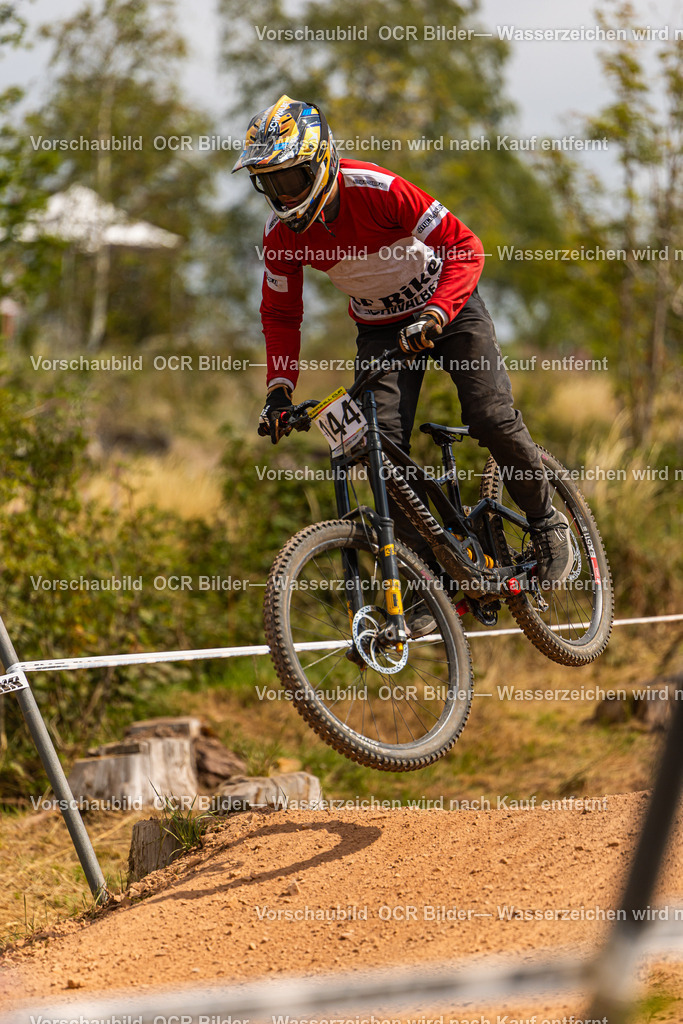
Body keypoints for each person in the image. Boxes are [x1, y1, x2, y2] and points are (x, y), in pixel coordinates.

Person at [232, 94, 572, 594]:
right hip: (380, 329)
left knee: (490, 415)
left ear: (321, 161)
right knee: (378, 449)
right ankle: (429, 576)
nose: (282, 195)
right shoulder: (281, 235)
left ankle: (546, 521)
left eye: (289, 179)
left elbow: (465, 245)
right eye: (269, 183)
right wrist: (279, 391)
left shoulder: (378, 188)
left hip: (448, 306)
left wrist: (438, 310)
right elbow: (281, 313)